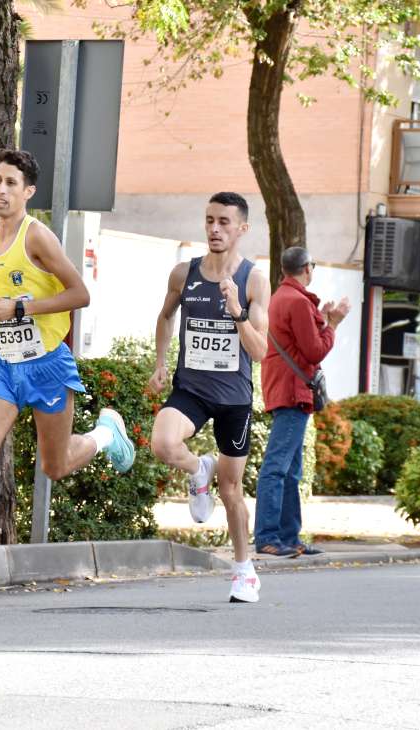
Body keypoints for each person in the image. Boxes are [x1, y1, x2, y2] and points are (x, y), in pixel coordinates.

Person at [0, 149, 136, 601]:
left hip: (46, 365)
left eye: (10, 184)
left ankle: (104, 434)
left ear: (28, 192)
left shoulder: (37, 237)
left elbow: (80, 294)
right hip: (3, 363)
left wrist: (21, 307)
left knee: (54, 466)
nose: (1, 191)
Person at [148, 192, 271, 603]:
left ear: (242, 229)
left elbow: (259, 351)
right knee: (163, 443)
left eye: (224, 222)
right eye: (209, 220)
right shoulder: (184, 274)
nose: (215, 229)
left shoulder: (253, 279)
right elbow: (165, 316)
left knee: (232, 490)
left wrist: (236, 310)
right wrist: (161, 361)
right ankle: (198, 470)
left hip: (234, 398)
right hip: (192, 390)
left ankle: (243, 570)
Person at [255, 247, 349, 558]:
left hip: (284, 388)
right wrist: (334, 324)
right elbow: (314, 352)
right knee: (277, 467)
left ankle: (289, 537)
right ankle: (269, 537)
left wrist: (323, 319)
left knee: (291, 470)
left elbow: (299, 341)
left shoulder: (283, 297)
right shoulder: (296, 301)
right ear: (307, 268)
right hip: (293, 391)